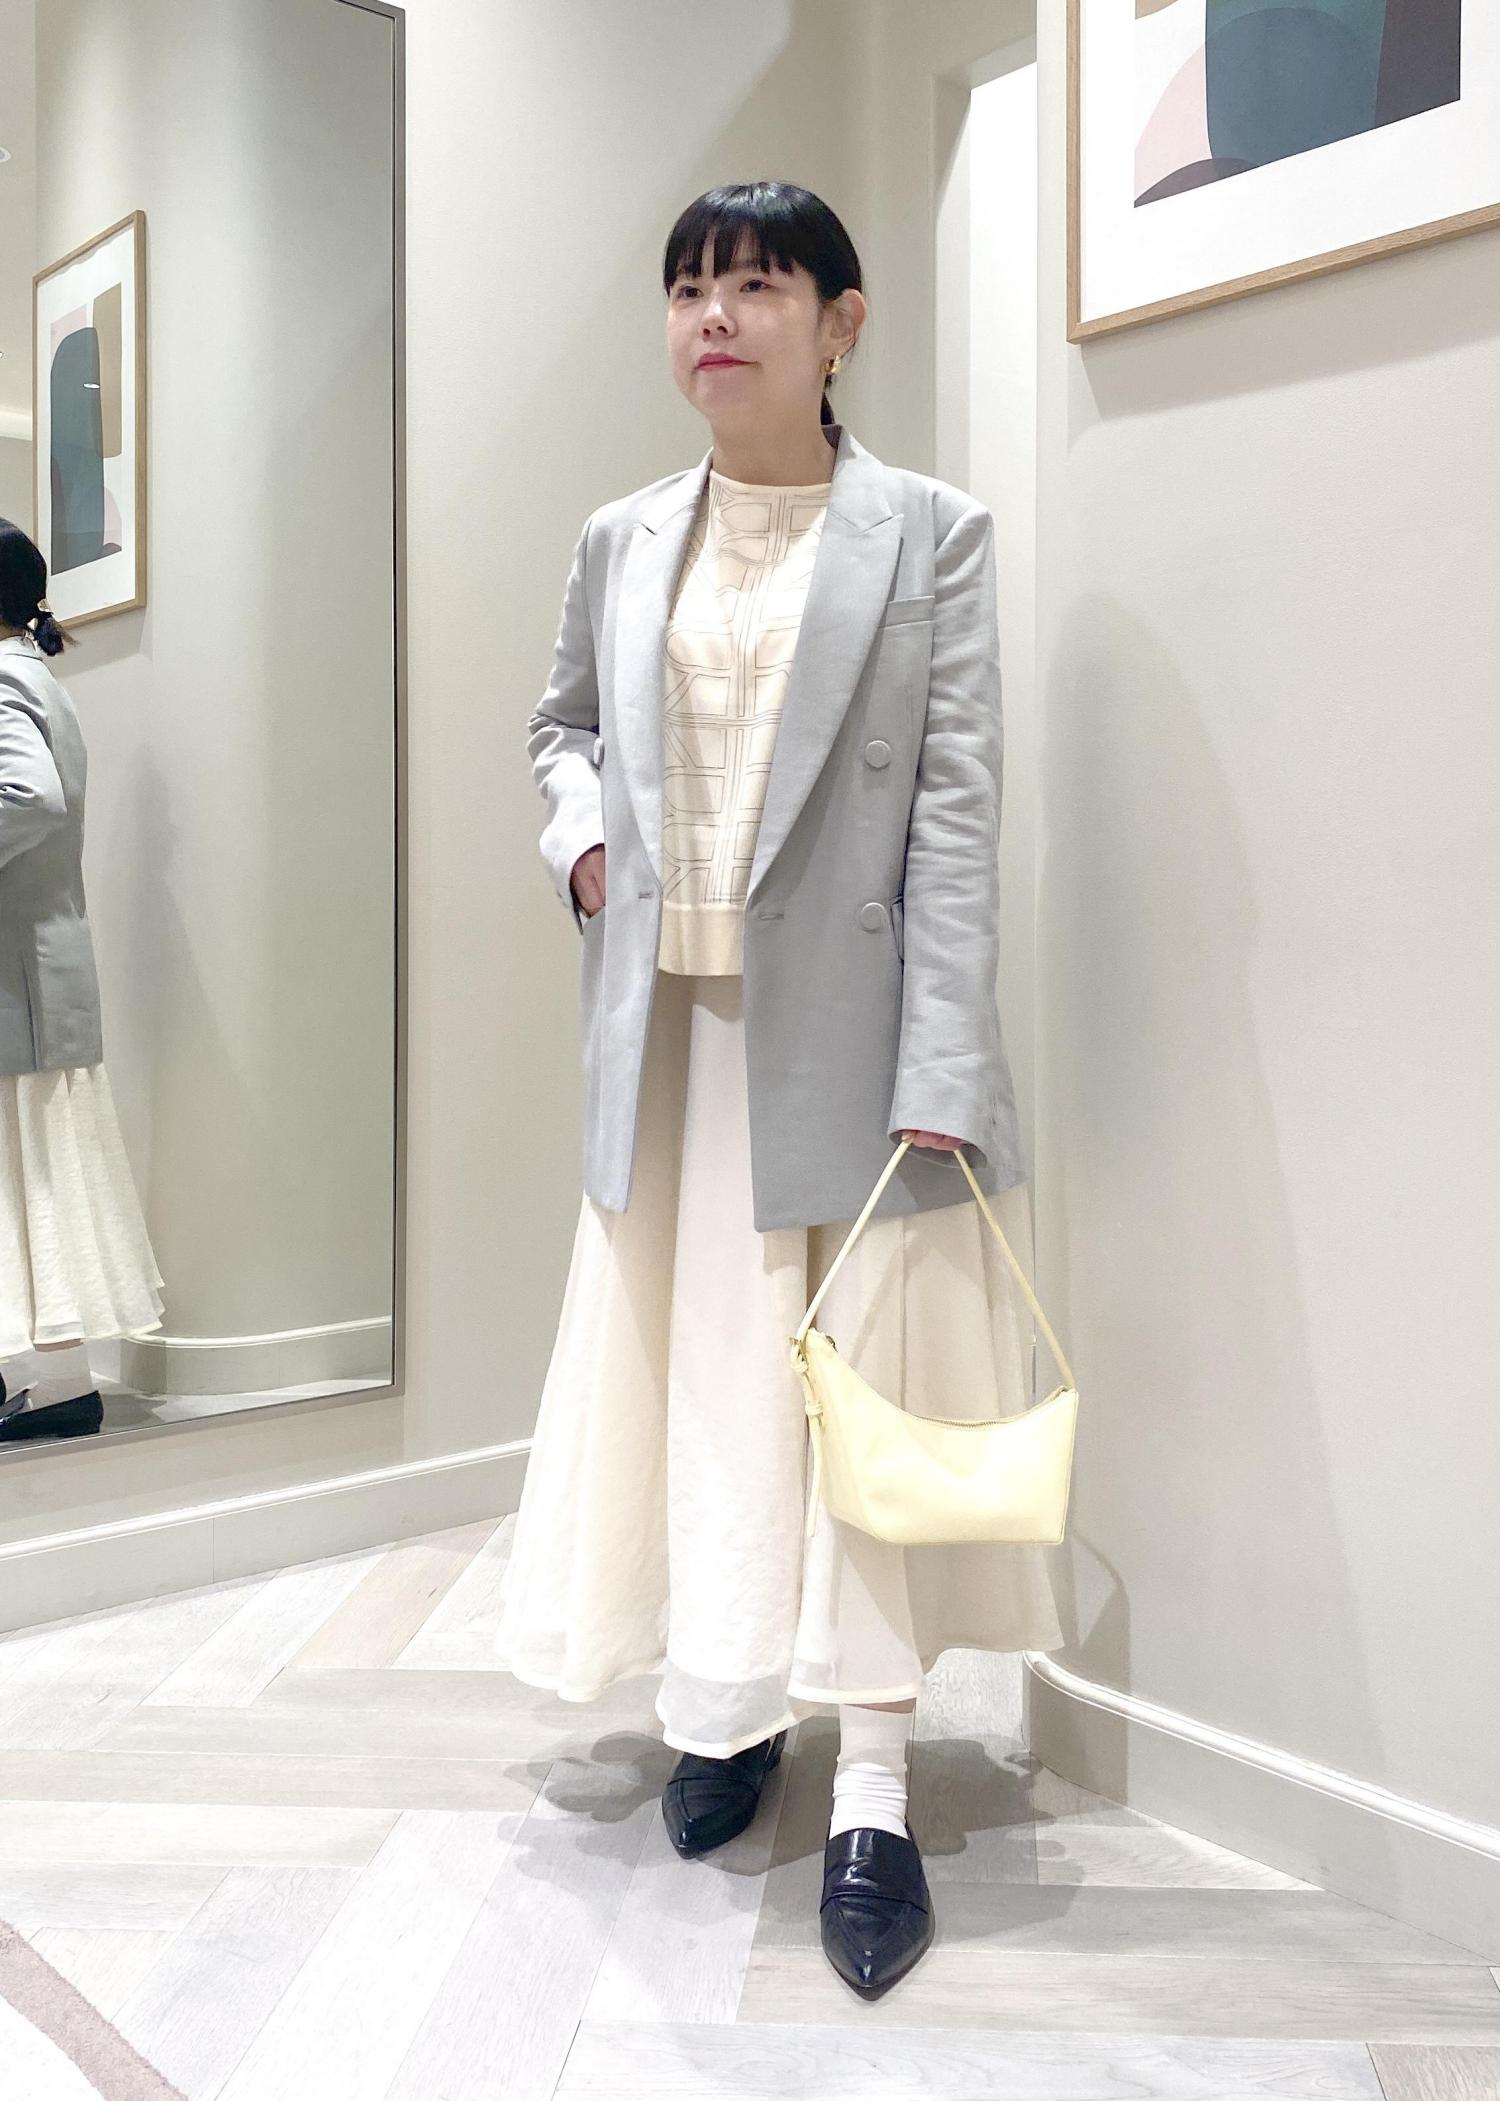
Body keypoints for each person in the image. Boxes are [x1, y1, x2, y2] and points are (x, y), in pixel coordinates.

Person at [497, 182, 1065, 2000]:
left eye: (755, 284)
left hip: (863, 1046)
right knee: (710, 1395)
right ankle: (729, 1710)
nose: (715, 318)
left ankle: (876, 1789)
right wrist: (587, 846)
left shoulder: (931, 535)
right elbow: (562, 727)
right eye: (688, 288)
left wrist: (947, 1065)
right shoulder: (621, 536)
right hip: (675, 1042)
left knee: (863, 1410)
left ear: (843, 322)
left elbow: (958, 816)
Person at [0, 518, 164, 1443]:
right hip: (40, 962)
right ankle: (49, 1376)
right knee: (38, 1170)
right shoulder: (36, 677)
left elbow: (31, 794)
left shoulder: (2, 679)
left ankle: (61, 1384)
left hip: (20, 971)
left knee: (33, 1170)